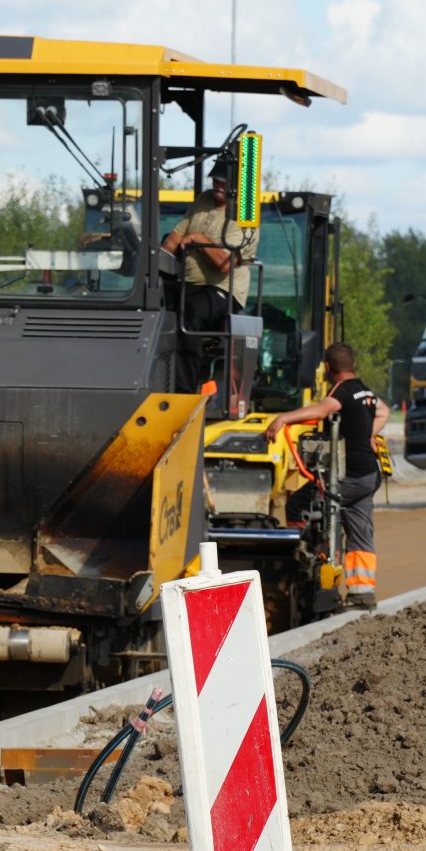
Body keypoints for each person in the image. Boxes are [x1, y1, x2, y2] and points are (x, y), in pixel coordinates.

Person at [268, 341, 388, 609]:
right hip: (368, 476)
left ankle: (304, 563)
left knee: (300, 505)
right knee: (359, 532)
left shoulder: (341, 390)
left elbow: (323, 409)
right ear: (353, 364)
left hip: (348, 478)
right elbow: (384, 411)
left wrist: (283, 418)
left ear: (327, 368)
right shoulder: (364, 391)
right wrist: (368, 434)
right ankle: (362, 593)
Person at [163, 161, 256, 392]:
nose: (218, 185)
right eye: (216, 180)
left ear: (237, 185)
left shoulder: (244, 213)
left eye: (224, 182)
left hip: (222, 288)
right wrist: (160, 257)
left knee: (189, 316)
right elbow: (177, 235)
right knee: (151, 298)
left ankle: (183, 393)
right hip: (189, 284)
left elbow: (225, 264)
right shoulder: (203, 200)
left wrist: (198, 238)